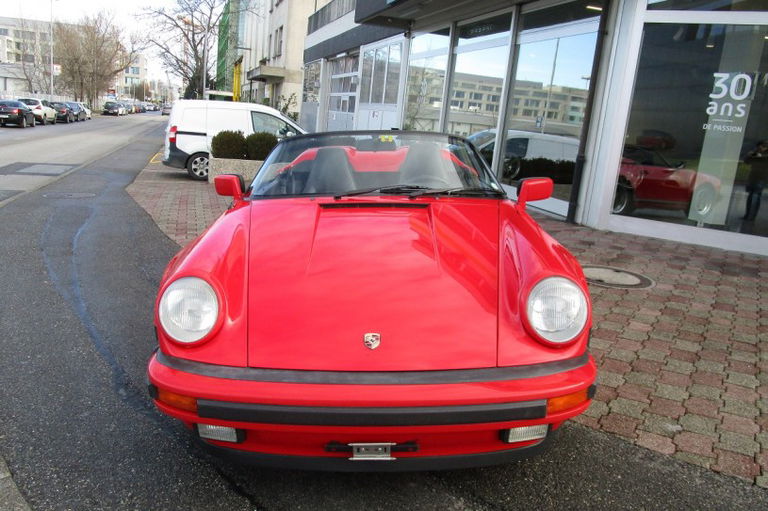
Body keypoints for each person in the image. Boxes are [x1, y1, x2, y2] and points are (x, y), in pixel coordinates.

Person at [743, 140, 768, 221]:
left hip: (762, 178)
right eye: (759, 146)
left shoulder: (764, 155)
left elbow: (763, 159)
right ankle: (747, 215)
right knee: (750, 196)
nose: (761, 148)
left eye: (763, 146)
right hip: (753, 177)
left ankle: (751, 217)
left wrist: (758, 155)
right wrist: (749, 155)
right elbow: (746, 161)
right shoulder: (755, 153)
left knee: (756, 196)